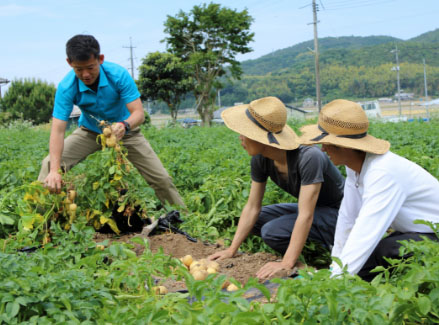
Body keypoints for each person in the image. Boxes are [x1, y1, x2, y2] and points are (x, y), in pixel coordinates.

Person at [298, 99, 439, 281]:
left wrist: (336, 282)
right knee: (364, 261)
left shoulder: (382, 172)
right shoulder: (355, 167)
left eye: (327, 143)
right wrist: (335, 264)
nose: (323, 148)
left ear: (345, 146)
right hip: (414, 231)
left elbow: (366, 230)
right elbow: (347, 216)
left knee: (381, 252)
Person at [38, 34, 184, 207]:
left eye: (90, 67)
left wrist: (125, 125)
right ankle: (42, 221)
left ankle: (183, 220)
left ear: (100, 59)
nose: (85, 74)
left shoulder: (118, 75)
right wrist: (55, 171)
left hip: (125, 131)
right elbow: (58, 130)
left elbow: (138, 113)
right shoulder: (66, 87)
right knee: (49, 165)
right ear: (70, 63)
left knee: (161, 178)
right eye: (79, 69)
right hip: (90, 132)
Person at [208, 96, 345, 279]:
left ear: (262, 138)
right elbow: (252, 206)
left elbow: (306, 215)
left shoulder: (309, 158)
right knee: (256, 220)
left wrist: (285, 263)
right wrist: (232, 249)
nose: (241, 138)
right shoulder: (260, 159)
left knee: (272, 231)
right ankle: (300, 261)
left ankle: (299, 263)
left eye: (245, 133)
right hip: (316, 210)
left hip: (342, 214)